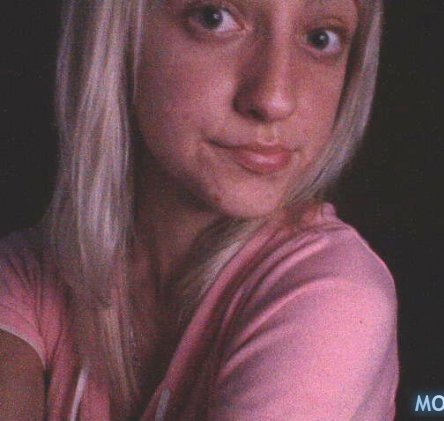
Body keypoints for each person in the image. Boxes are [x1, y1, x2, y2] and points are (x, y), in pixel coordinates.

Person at [0, 0, 398, 419]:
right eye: (214, 18)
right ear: (117, 33)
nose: (274, 99)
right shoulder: (35, 272)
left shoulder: (333, 296)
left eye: (320, 39)